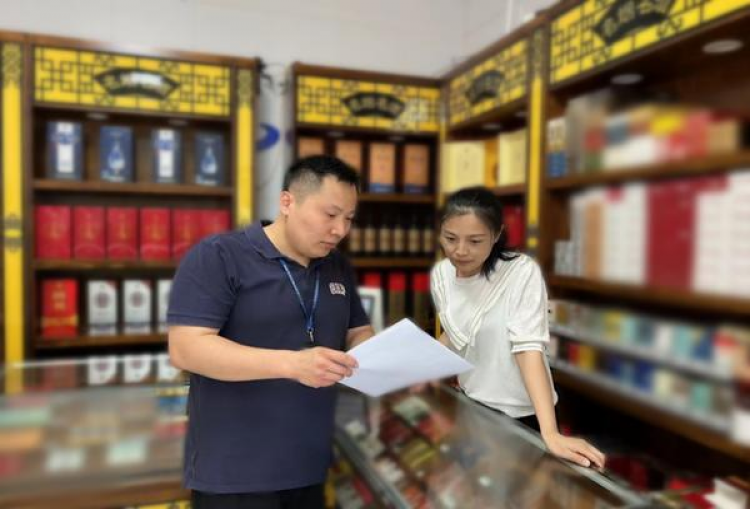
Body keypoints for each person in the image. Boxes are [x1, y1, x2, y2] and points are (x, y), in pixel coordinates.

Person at [168, 155, 375, 509]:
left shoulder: (336, 266)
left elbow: (358, 332)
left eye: (349, 218)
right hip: (234, 476)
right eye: (330, 215)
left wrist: (388, 359)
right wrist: (293, 365)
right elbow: (186, 349)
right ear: (287, 202)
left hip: (311, 468)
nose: (340, 230)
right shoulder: (219, 256)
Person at [429, 186, 605, 469]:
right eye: (450, 238)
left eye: (475, 241)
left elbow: (528, 349)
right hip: (473, 408)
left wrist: (550, 433)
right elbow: (457, 330)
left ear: (496, 235)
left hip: (523, 416)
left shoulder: (521, 272)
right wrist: (420, 367)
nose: (460, 250)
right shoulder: (442, 274)